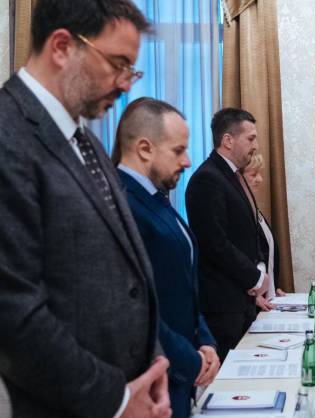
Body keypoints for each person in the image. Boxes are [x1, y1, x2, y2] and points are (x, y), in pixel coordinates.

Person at [0, 1, 171, 417]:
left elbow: (128, 273)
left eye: (131, 70)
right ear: (62, 47)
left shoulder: (86, 140)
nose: (125, 84)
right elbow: (13, 312)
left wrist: (155, 365)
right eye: (118, 64)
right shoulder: (8, 134)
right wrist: (116, 399)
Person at [113, 98, 220, 418]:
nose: (187, 161)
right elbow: (134, 308)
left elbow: (185, 287)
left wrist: (206, 342)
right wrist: (189, 359)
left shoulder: (155, 198)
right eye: (178, 150)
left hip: (181, 366)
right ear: (145, 149)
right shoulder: (121, 203)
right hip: (153, 374)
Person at [186, 108, 270, 362]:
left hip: (241, 302)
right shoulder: (208, 178)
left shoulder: (231, 175)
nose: (255, 146)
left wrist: (259, 270)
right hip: (223, 306)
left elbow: (247, 233)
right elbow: (215, 243)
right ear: (228, 140)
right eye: (251, 138)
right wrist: (255, 277)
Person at [241, 154, 287, 311]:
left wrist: (274, 286)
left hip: (266, 297)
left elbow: (267, 255)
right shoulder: (242, 213)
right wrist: (253, 297)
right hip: (250, 302)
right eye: (253, 175)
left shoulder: (255, 210)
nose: (260, 179)